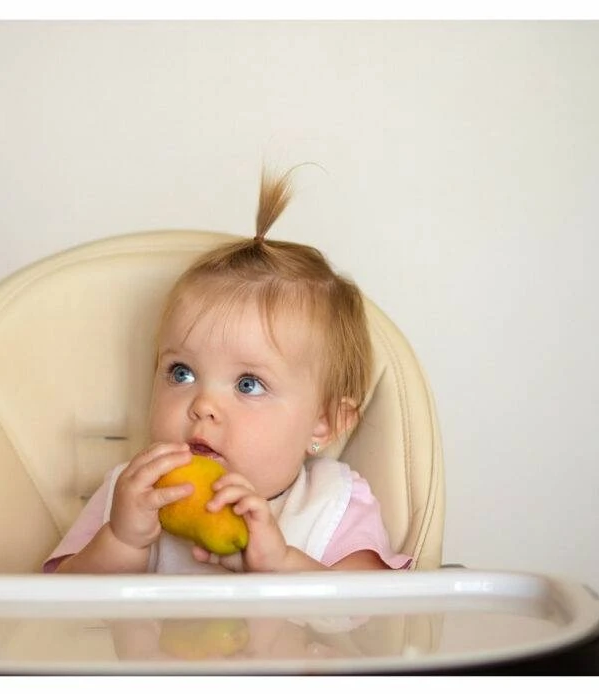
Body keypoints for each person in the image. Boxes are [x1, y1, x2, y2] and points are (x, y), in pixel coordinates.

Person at [44, 165, 411, 574]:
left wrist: (280, 564)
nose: (203, 405)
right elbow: (58, 614)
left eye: (249, 384)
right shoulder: (132, 495)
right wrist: (121, 541)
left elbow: (376, 620)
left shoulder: (332, 504)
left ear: (323, 423)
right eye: (180, 372)